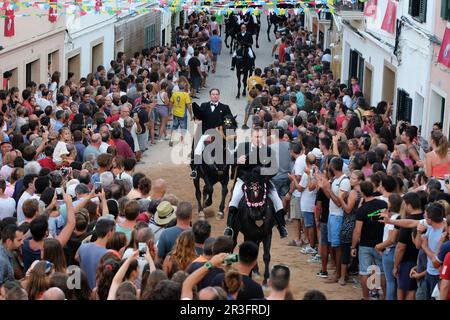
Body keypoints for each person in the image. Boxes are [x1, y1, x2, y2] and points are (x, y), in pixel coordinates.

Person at [224, 128, 288, 238]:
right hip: (244, 180)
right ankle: (229, 227)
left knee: (277, 200)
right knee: (234, 199)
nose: (258, 139)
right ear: (251, 137)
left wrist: (263, 172)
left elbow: (274, 169)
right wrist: (237, 160)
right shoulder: (242, 147)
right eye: (256, 137)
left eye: (260, 137)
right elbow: (229, 159)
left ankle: (281, 226)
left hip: (262, 181)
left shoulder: (268, 151)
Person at [351, 181, 387, 300]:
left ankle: (366, 297)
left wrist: (353, 247)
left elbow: (357, 231)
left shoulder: (362, 210)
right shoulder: (383, 204)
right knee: (381, 271)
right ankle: (385, 296)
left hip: (365, 244)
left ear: (362, 192)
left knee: (364, 272)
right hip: (381, 244)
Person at [191, 88, 233, 178]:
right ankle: (195, 169)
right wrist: (196, 118)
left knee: (231, 150)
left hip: (220, 135)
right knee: (198, 149)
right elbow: (198, 116)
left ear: (219, 95)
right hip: (206, 135)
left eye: (216, 94)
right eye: (213, 94)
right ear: (210, 96)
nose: (215, 96)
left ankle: (232, 169)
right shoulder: (204, 105)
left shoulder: (225, 107)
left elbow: (229, 120)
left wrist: (222, 127)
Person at [76, 218, 116, 289]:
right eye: (114, 230)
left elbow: (76, 257)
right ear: (109, 233)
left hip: (84, 289)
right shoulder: (108, 254)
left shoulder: (83, 247)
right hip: (98, 291)